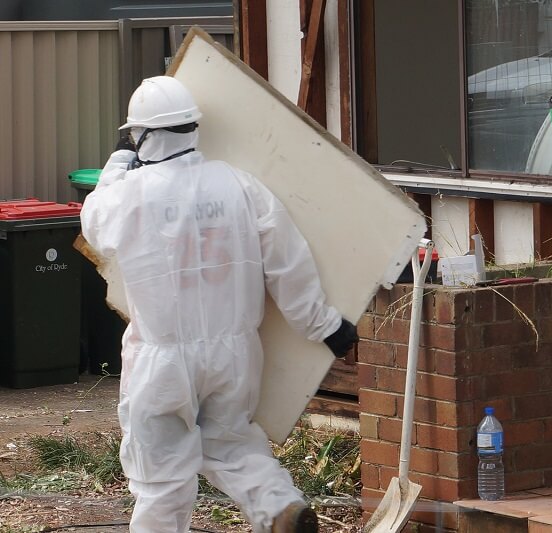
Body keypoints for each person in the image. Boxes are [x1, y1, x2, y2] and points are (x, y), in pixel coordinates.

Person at [80, 76, 358, 533]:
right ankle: (278, 506)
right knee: (232, 446)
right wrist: (324, 325)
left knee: (161, 478)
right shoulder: (239, 186)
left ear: (146, 135)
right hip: (235, 354)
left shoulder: (129, 194)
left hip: (163, 358)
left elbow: (94, 225)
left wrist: (116, 165)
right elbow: (287, 262)